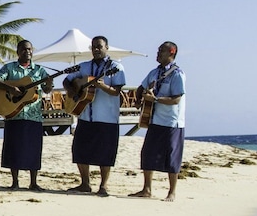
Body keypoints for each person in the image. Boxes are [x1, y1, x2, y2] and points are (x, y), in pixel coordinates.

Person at [64, 35, 127, 196]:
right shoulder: (84, 67)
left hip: (107, 118)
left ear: (107, 47)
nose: (96, 50)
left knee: (105, 153)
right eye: (93, 47)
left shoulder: (116, 67)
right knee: (79, 151)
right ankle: (85, 183)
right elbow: (67, 80)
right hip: (85, 116)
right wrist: (73, 91)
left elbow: (117, 92)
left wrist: (103, 86)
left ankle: (103, 186)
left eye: (99, 46)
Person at [0, 39, 54, 191]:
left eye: (29, 49)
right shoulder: (10, 68)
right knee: (13, 148)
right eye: (24, 49)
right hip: (14, 114)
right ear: (18, 52)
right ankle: (15, 182)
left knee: (33, 149)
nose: (27, 52)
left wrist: (49, 83)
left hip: (33, 116)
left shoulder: (39, 70)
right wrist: (11, 88)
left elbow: (46, 90)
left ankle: (33, 182)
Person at [132, 42, 187, 201]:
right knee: (148, 154)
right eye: (158, 50)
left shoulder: (177, 74)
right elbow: (141, 88)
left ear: (171, 52)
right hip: (154, 119)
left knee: (171, 156)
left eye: (161, 51)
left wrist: (155, 99)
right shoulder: (154, 72)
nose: (158, 53)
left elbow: (176, 99)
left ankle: (172, 192)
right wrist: (138, 100)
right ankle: (146, 189)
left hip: (172, 122)